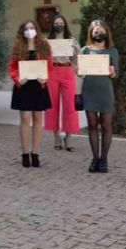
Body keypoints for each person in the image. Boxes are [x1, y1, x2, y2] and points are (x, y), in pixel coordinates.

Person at [8, 20, 53, 168]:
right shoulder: (17, 46)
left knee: (38, 118)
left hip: (39, 86)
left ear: (37, 29)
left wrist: (45, 78)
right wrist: (17, 79)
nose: (30, 30)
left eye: (32, 27)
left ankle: (35, 153)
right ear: (22, 31)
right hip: (24, 86)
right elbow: (11, 67)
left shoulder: (44, 46)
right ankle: (25, 153)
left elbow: (50, 67)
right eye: (27, 28)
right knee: (25, 118)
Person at [81, 20, 119, 173]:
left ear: (106, 32)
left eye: (101, 31)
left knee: (106, 125)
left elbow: (116, 73)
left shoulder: (112, 51)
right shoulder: (85, 50)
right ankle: (94, 159)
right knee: (92, 126)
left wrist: (112, 71)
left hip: (105, 92)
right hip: (89, 91)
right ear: (91, 33)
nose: (98, 34)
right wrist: (78, 70)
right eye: (95, 31)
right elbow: (81, 73)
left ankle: (104, 159)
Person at [44, 14, 80, 152]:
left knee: (70, 105)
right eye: (56, 23)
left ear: (65, 24)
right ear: (53, 25)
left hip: (67, 71)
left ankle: (69, 137)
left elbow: (78, 56)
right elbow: (43, 56)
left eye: (61, 23)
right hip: (53, 71)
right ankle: (57, 137)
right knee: (52, 105)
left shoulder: (71, 39)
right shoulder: (48, 41)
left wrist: (77, 65)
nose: (59, 25)